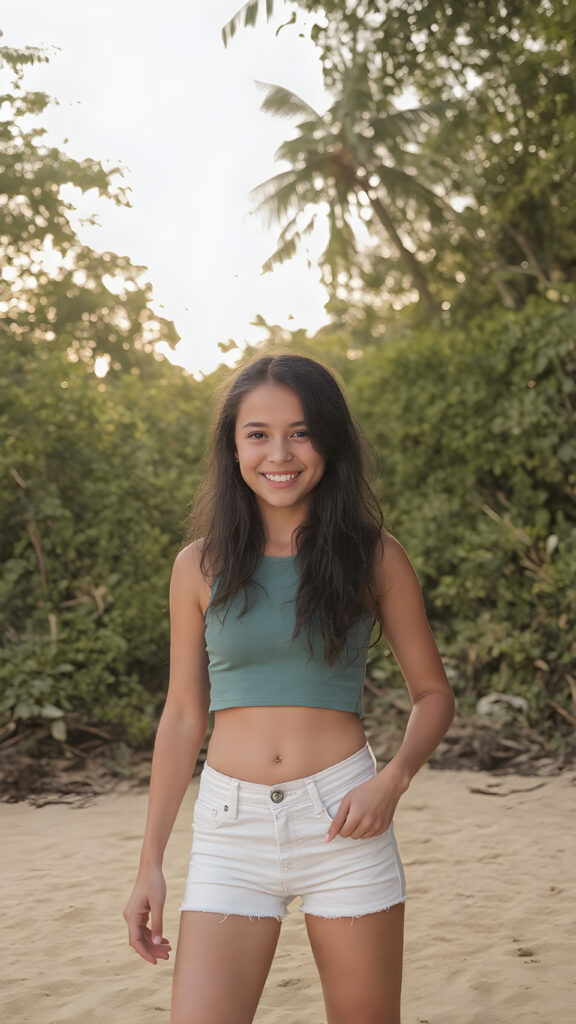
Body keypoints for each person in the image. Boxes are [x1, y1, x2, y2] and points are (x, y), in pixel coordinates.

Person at [123, 353, 455, 1024]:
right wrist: (150, 862)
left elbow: (433, 696)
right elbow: (184, 715)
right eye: (258, 434)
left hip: (344, 823)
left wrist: (390, 782)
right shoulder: (199, 566)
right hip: (228, 831)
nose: (280, 453)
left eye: (301, 432)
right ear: (233, 446)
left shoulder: (374, 556)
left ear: (328, 440)